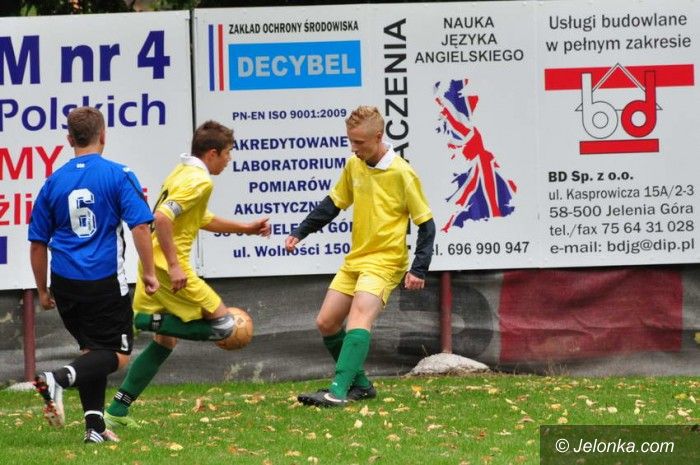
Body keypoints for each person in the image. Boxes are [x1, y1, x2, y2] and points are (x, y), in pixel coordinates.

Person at [104, 120, 271, 428]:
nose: (229, 159)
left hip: (155, 263)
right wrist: (175, 265)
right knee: (224, 326)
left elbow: (200, 217)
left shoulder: (182, 171)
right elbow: (162, 218)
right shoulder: (200, 181)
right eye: (228, 153)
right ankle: (144, 320)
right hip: (169, 269)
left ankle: (117, 412)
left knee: (165, 342)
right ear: (212, 153)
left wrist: (245, 229)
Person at [287, 105, 436, 407]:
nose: (353, 148)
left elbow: (426, 224)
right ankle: (362, 386)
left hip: (385, 261)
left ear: (378, 136)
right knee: (326, 322)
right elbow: (333, 203)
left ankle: (337, 392)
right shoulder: (354, 165)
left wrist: (419, 268)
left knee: (359, 317)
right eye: (350, 141)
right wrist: (301, 231)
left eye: (359, 142)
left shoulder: (402, 173)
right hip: (356, 260)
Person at [28, 106, 159, 443]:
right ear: (103, 135)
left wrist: (42, 290)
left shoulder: (53, 182)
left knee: (93, 350)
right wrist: (150, 272)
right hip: (102, 281)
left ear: (70, 139)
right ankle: (58, 378)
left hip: (65, 282)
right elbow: (140, 226)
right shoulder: (118, 174)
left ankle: (95, 428)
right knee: (117, 355)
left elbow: (37, 243)